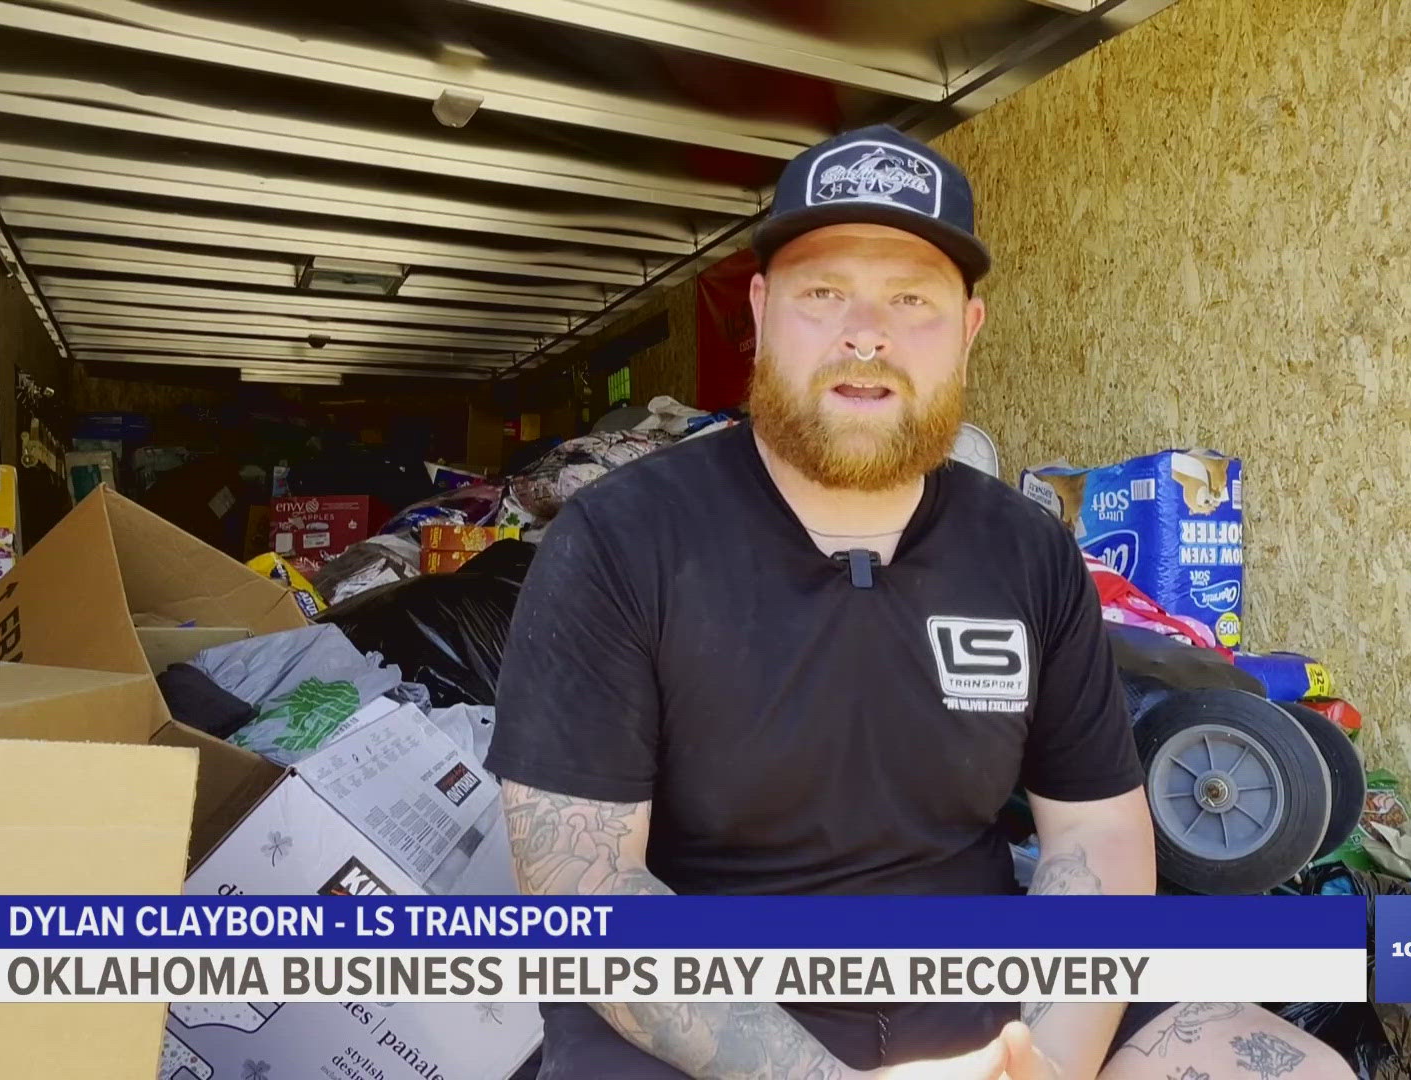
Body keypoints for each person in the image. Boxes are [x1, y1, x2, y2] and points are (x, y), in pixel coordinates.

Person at [486, 124, 1354, 1080]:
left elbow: (1095, 832)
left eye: (912, 299)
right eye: (825, 294)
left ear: (968, 329)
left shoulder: (1028, 552)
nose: (868, 334)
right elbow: (587, 884)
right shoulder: (617, 543)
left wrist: (1049, 1063)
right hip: (706, 1013)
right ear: (764, 312)